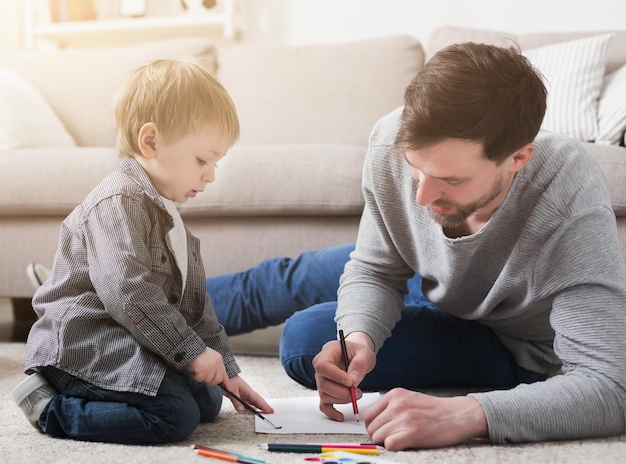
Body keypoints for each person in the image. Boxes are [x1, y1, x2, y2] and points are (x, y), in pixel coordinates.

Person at [278, 42, 626, 449]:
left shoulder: (568, 188)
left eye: (452, 180)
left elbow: (610, 385)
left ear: (518, 158)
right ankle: (184, 323)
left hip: (514, 345)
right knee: (300, 286)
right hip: (435, 283)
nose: (422, 198)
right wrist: (358, 339)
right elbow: (375, 270)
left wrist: (466, 413)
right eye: (416, 168)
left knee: (301, 339)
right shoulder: (392, 138)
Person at [12, 58, 273, 445]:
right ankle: (50, 407)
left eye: (216, 163)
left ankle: (183, 381)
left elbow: (195, 308)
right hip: (83, 345)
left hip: (127, 337)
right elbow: (128, 291)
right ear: (150, 142)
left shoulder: (169, 214)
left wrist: (228, 370)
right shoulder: (118, 202)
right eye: (203, 159)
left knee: (208, 397)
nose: (211, 174)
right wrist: (189, 352)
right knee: (175, 415)